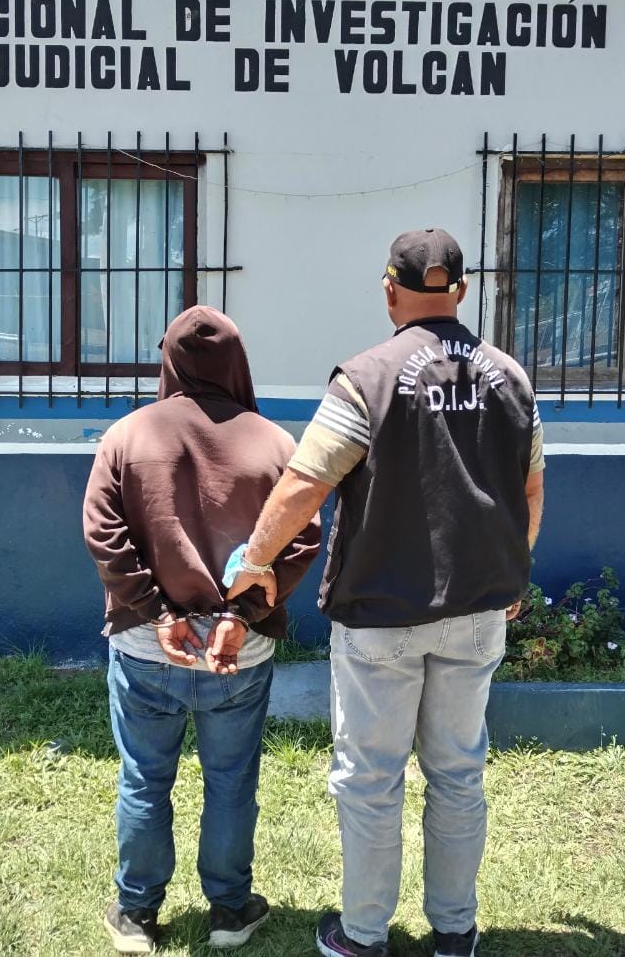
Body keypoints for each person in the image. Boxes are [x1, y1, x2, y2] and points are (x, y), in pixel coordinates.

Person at [226, 229, 545, 957]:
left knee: (371, 780)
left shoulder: (365, 378)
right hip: (478, 611)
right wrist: (513, 569)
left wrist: (255, 562)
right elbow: (530, 489)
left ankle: (364, 935)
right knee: (458, 775)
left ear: (389, 289)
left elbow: (305, 483)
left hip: (379, 615)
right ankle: (454, 932)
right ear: (462, 291)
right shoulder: (512, 380)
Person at [83, 306, 321, 954]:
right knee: (231, 782)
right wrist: (240, 618)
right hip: (237, 652)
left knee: (144, 778)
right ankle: (230, 910)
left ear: (169, 361)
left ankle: (137, 914)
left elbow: (103, 534)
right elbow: (303, 538)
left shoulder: (126, 436)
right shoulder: (276, 445)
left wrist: (158, 614)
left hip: (145, 646)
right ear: (236, 362)